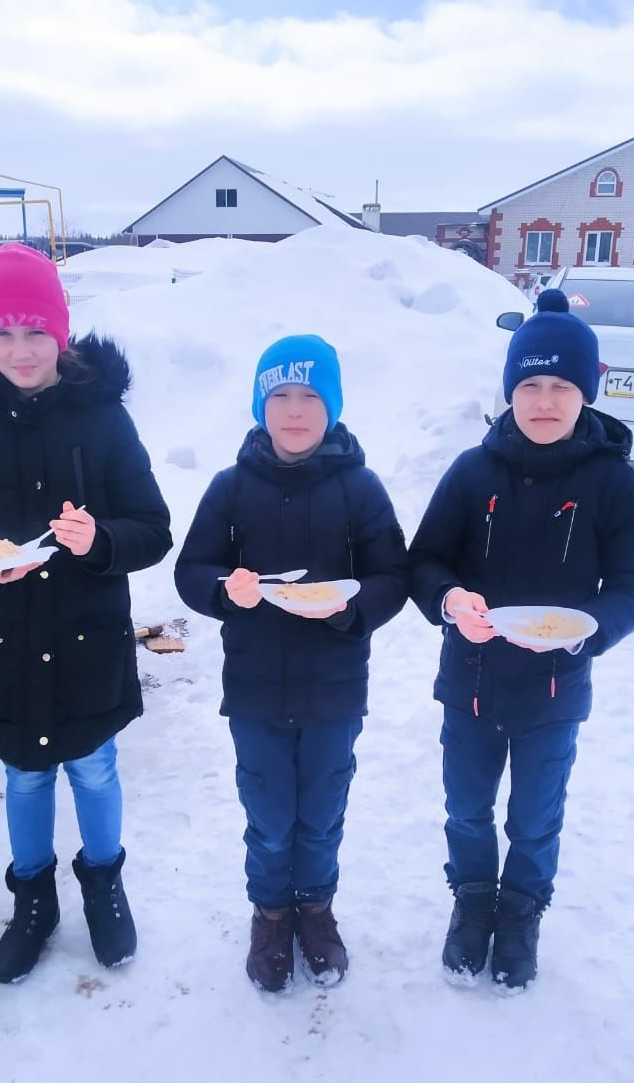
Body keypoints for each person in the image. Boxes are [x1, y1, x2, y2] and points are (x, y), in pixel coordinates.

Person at [0, 243, 172, 983]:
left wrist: (100, 542)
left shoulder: (105, 421)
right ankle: (33, 901)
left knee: (93, 768)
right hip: (4, 641)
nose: (20, 350)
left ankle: (104, 887)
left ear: (60, 331)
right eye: (3, 332)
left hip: (87, 642)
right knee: (25, 777)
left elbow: (153, 527)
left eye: (34, 331)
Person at [408, 290, 634, 990]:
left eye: (560, 386)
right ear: (511, 390)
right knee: (466, 808)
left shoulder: (611, 480)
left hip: (556, 688)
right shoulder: (472, 470)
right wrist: (450, 598)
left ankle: (520, 910)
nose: (544, 400)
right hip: (471, 681)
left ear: (584, 394)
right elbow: (424, 561)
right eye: (529, 384)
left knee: (535, 817)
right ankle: (472, 901)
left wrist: (591, 631)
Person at [174, 334, 408, 993]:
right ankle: (271, 914)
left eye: (310, 396)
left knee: (322, 813)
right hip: (254, 690)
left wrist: (344, 608)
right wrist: (226, 591)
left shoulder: (361, 489)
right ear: (261, 405)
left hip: (334, 688)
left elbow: (393, 575)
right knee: (271, 817)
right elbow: (192, 569)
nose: (295, 411)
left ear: (331, 406)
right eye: (280, 396)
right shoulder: (231, 488)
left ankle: (317, 912)